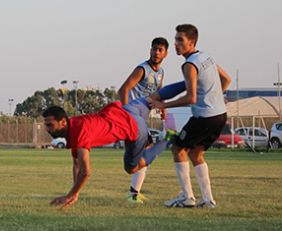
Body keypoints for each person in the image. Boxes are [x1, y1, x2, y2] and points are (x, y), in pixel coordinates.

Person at [45, 83, 183, 209]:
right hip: (127, 110)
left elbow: (85, 171)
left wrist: (70, 195)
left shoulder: (78, 132)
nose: (47, 129)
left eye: (50, 125)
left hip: (134, 127)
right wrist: (75, 193)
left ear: (63, 122)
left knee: (132, 168)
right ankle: (188, 82)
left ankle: (167, 139)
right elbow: (76, 164)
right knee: (153, 98)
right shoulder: (73, 124)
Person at [150, 24, 231, 208]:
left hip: (204, 117)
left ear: (191, 42)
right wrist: (215, 98)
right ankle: (208, 200)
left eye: (180, 40)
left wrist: (164, 104)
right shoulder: (206, 57)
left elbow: (191, 97)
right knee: (196, 153)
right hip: (220, 115)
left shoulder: (189, 65)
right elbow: (226, 80)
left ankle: (187, 197)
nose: (176, 44)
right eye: (176, 39)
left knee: (178, 148)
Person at [117, 37, 169, 202]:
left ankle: (134, 193)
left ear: (165, 53)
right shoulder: (142, 69)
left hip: (142, 119)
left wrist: (162, 108)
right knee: (144, 155)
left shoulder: (160, 73)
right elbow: (123, 89)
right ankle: (133, 194)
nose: (156, 52)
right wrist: (127, 114)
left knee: (145, 154)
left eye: (160, 50)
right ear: (150, 50)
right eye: (154, 49)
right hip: (134, 118)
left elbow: (159, 92)